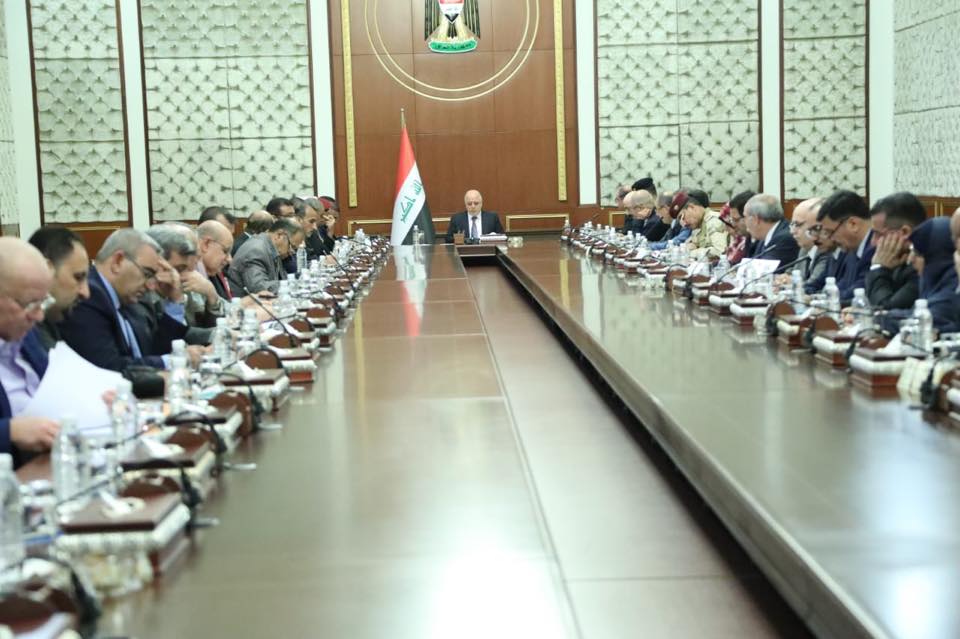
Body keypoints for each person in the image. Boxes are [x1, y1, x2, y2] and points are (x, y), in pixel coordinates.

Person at [59, 229, 176, 371]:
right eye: (146, 274)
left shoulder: (126, 299)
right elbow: (108, 367)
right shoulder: (89, 297)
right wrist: (170, 362)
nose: (151, 286)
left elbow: (151, 350)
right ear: (117, 261)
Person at [0, 238, 59, 460]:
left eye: (44, 302)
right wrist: (9, 432)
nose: (39, 316)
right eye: (30, 304)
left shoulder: (24, 333)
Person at [881, 217, 960, 334]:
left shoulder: (952, 291)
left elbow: (923, 323)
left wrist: (879, 318)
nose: (910, 259)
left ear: (937, 257)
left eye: (918, 253)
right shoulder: (935, 283)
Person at [27, 227, 91, 351]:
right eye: (78, 277)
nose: (86, 293)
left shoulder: (51, 324)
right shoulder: (20, 335)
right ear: (46, 271)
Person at [865, 192, 926, 310]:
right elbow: (870, 297)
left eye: (878, 234)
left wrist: (878, 268)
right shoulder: (895, 259)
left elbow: (885, 311)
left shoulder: (922, 266)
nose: (873, 242)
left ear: (905, 232)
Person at [815, 190, 875, 303]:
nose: (831, 239)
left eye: (830, 232)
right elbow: (842, 286)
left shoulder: (876, 248)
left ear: (853, 224)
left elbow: (858, 292)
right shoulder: (852, 250)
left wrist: (823, 301)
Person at [228, 217, 304, 295]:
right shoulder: (256, 251)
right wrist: (295, 285)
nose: (292, 252)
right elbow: (260, 288)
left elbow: (282, 278)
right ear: (279, 235)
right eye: (292, 246)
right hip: (247, 301)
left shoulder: (272, 247)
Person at [742, 194, 799, 268]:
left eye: (745, 217)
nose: (744, 221)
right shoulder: (764, 237)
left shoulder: (785, 239)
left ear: (756, 220)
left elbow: (762, 271)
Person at [682, 189, 728, 259]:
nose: (683, 223)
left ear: (692, 208)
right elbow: (690, 245)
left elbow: (720, 251)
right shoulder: (699, 223)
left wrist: (693, 252)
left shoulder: (713, 221)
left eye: (683, 216)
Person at [196, 220, 236, 301]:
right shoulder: (186, 274)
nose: (229, 259)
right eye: (225, 251)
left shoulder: (210, 272)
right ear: (206, 244)